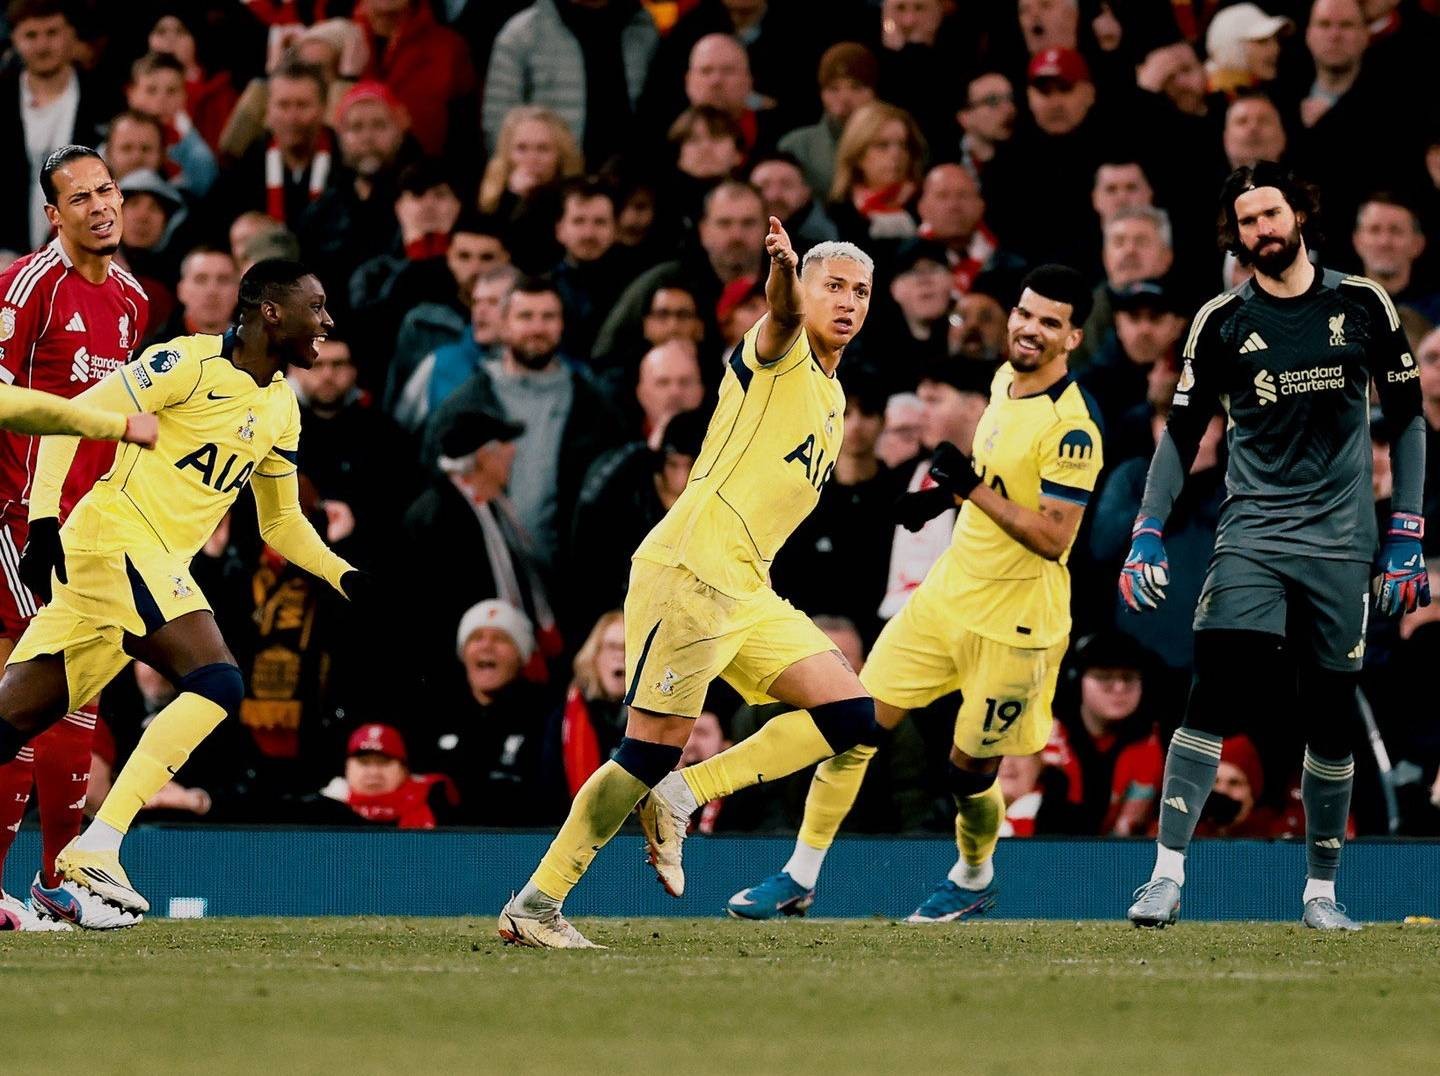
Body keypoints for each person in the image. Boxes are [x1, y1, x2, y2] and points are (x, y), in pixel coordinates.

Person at [498, 222, 879, 948]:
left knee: (852, 715)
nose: (847, 302)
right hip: (692, 570)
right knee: (646, 749)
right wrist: (782, 272)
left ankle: (684, 793)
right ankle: (537, 903)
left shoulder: (832, 399)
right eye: (832, 286)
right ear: (803, 291)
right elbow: (782, 315)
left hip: (748, 586)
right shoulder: (782, 351)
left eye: (860, 292)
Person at [726, 265, 1103, 923]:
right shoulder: (1003, 383)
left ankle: (973, 876)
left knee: (967, 773)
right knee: (855, 727)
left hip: (1016, 626)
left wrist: (971, 489)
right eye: (1024, 313)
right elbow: (996, 477)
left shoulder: (1074, 430)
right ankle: (799, 875)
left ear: (1072, 337)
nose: (1029, 329)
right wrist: (942, 499)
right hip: (945, 598)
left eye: (1050, 322)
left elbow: (1052, 537)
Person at [0, 258, 364, 920]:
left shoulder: (281, 406)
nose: (327, 321)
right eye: (315, 307)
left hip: (137, 564)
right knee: (218, 681)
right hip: (115, 541)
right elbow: (75, 414)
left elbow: (279, 521)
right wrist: (44, 517)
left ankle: (92, 847)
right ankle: (100, 845)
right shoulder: (186, 364)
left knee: (12, 719)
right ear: (271, 311)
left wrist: (341, 574)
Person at [1120, 163, 1428, 932]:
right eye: (1247, 220)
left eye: (1271, 213)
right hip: (1253, 534)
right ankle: (1164, 877)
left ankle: (1320, 893)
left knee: (1330, 716)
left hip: (1342, 544)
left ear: (1300, 215)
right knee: (1212, 687)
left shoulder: (1362, 303)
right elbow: (1181, 433)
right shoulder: (1221, 320)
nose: (1262, 228)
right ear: (1236, 235)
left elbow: (1409, 419)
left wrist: (1408, 531)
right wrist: (1147, 528)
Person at [0, 146, 154, 931]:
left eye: (107, 190)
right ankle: (40, 882)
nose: (99, 206)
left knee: (79, 697)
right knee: (35, 691)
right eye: (80, 197)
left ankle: (56, 885)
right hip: (17, 517)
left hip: (85, 527)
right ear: (52, 215)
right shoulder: (26, 287)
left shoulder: (132, 299)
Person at [0, 0, 105, 256]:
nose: (42, 45)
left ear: (71, 35)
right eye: (31, 35)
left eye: (52, 33)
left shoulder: (103, 98)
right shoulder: (2, 97)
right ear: (14, 39)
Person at [317, 722, 459, 829]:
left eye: (384, 762)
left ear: (404, 769)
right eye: (364, 762)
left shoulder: (438, 806)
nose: (373, 772)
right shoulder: (321, 811)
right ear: (347, 768)